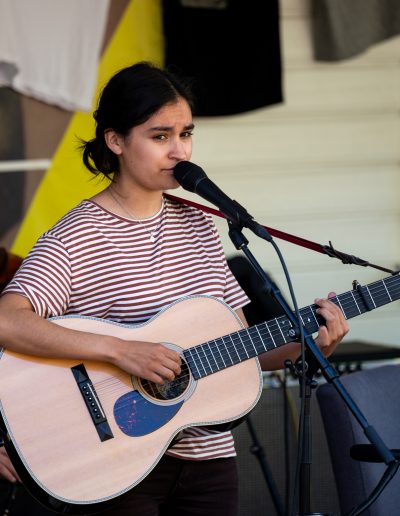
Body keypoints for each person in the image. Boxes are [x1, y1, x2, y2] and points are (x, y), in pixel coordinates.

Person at [0, 62, 349, 515]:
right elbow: (8, 321)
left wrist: (309, 347)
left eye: (186, 134)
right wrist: (118, 350)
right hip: (116, 463)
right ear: (116, 140)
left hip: (210, 461)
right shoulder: (77, 235)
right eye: (160, 136)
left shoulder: (201, 226)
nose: (180, 151)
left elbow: (238, 349)